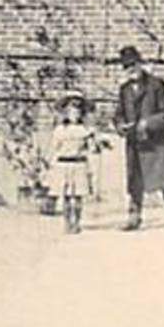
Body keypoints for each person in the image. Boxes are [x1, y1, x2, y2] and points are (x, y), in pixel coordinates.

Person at [114, 45, 164, 234]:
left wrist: (148, 123)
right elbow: (118, 114)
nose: (131, 69)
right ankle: (134, 217)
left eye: (133, 65)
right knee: (135, 182)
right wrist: (120, 126)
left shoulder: (157, 85)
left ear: (141, 63)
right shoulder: (124, 90)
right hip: (135, 143)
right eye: (126, 67)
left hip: (157, 143)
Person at [49, 94, 99, 234]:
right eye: (71, 111)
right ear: (66, 113)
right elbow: (54, 148)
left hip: (79, 164)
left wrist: (95, 142)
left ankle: (76, 222)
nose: (74, 114)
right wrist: (51, 165)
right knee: (65, 196)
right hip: (64, 164)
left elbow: (92, 148)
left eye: (77, 112)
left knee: (77, 196)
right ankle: (66, 222)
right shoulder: (60, 130)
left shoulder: (85, 130)